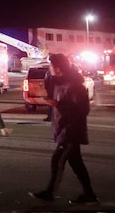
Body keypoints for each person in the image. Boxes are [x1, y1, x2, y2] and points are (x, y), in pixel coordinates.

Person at [29, 53, 99, 206]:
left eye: (51, 66)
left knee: (57, 160)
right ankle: (90, 196)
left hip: (71, 131)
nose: (50, 69)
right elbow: (52, 90)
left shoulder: (74, 85)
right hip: (63, 128)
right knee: (76, 163)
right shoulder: (59, 83)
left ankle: (50, 192)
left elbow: (83, 109)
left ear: (59, 68)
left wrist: (58, 104)